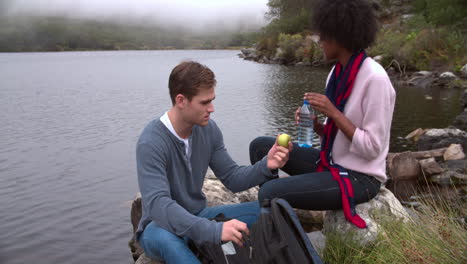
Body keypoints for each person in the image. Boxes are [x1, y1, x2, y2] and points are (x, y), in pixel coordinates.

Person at [250, 0, 395, 228]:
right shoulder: (337, 74)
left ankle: (280, 235)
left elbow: (373, 149)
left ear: (340, 35)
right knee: (259, 147)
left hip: (361, 177)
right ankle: (274, 217)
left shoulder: (375, 79)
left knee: (268, 192)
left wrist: (334, 113)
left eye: (323, 35)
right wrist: (318, 126)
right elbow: (337, 135)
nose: (319, 41)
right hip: (332, 162)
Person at [136, 61, 292, 263]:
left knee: (274, 212)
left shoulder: (209, 129)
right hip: (159, 227)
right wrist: (213, 231)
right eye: (204, 102)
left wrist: (266, 164)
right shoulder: (151, 141)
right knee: (168, 241)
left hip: (199, 215)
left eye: (212, 100)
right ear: (181, 100)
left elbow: (232, 178)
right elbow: (158, 205)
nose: (212, 108)